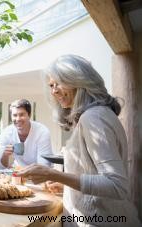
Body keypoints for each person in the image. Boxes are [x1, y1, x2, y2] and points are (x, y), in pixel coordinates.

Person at [16, 55, 141, 226]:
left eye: (59, 82)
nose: (54, 90)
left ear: (79, 80)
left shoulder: (93, 117)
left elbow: (116, 184)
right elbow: (93, 175)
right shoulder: (99, 114)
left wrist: (53, 174)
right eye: (51, 85)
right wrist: (66, 184)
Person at [0, 99, 52, 169]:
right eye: (14, 115)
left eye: (21, 114)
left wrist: (28, 173)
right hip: (18, 173)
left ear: (29, 115)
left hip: (39, 174)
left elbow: (44, 165)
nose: (18, 119)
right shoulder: (6, 133)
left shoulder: (42, 132)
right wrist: (5, 155)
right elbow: (0, 167)